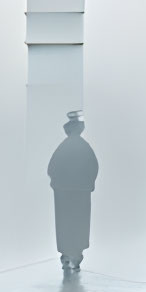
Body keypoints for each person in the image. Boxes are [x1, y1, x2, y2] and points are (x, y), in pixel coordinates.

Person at [47, 111, 99, 273]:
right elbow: (93, 168)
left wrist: (57, 183)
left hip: (63, 194)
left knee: (65, 224)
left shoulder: (63, 147)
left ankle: (66, 255)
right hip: (81, 193)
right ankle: (76, 255)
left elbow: (51, 169)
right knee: (79, 223)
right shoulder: (85, 147)